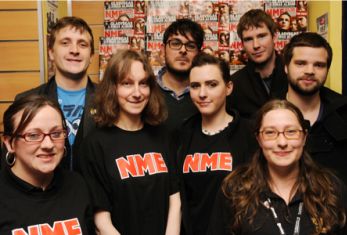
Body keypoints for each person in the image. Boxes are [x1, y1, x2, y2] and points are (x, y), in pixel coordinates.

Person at [79, 49, 181, 235]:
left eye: (143, 83)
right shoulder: (95, 144)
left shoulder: (163, 136)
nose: (137, 93)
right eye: (127, 83)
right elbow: (101, 217)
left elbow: (174, 198)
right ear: (113, 88)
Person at [208, 99, 347, 235]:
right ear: (259, 139)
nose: (282, 142)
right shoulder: (234, 190)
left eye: (291, 132)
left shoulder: (330, 189)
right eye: (270, 132)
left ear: (304, 137)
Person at [174, 53, 256, 235]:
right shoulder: (183, 133)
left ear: (228, 87)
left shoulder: (248, 133)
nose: (202, 94)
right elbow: (177, 197)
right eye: (195, 86)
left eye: (212, 85)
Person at [0, 94, 94, 234]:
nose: (48, 145)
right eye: (33, 135)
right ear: (9, 143)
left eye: (56, 134)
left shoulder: (77, 185)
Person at [15, 16, 96, 172]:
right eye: (65, 43)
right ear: (51, 52)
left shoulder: (109, 99)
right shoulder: (25, 101)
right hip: (43, 194)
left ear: (91, 56)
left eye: (83, 44)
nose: (74, 50)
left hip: (95, 195)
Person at [282, 32, 347, 184]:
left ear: (327, 70)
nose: (310, 71)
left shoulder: (343, 115)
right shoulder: (267, 117)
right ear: (286, 67)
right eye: (301, 63)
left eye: (319, 65)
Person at [227, 9, 288, 119]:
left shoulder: (293, 75)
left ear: (274, 36)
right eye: (248, 39)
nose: (256, 45)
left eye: (261, 36)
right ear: (242, 44)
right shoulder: (235, 85)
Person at [157, 18, 205, 131]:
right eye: (175, 43)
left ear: (199, 54)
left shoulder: (207, 95)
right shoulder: (145, 91)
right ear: (163, 50)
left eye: (191, 45)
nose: (183, 50)